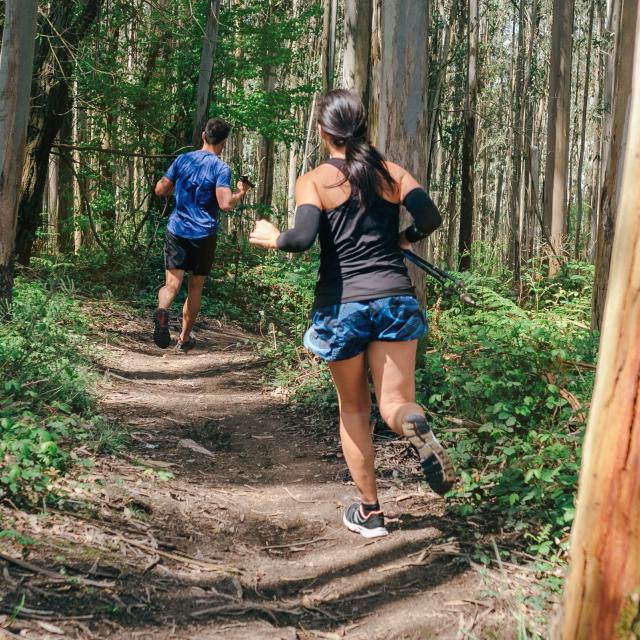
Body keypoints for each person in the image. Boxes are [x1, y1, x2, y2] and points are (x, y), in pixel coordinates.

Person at [249, 90, 455, 539]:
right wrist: (405, 236)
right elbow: (431, 217)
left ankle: (371, 513)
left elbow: (302, 239)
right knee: (395, 403)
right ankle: (412, 425)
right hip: (395, 299)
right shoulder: (390, 172)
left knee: (355, 410)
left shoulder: (315, 181)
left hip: (342, 306)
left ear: (325, 132)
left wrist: (271, 237)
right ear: (363, 127)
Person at [153, 117, 251, 352]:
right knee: (195, 286)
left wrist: (175, 186)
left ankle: (163, 312)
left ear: (204, 136)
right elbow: (225, 204)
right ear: (224, 143)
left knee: (171, 284)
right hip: (204, 235)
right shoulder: (220, 168)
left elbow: (160, 190)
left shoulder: (183, 160)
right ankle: (184, 338)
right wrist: (240, 193)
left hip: (177, 230)